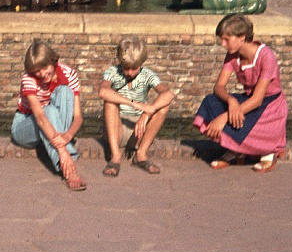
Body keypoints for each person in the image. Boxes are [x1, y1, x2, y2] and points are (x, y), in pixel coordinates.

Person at [193, 13, 288, 173]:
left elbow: (258, 100)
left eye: (226, 39)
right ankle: (237, 149)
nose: (223, 44)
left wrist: (224, 117)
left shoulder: (266, 57)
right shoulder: (232, 56)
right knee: (210, 102)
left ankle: (267, 151)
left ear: (242, 37)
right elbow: (219, 87)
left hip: (268, 106)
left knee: (229, 118)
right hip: (248, 100)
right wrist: (231, 101)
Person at [10, 40, 87, 191]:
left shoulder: (69, 73)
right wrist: (63, 150)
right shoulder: (28, 78)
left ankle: (57, 150)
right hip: (25, 125)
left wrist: (67, 136)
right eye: (37, 71)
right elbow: (40, 117)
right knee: (48, 111)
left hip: (51, 130)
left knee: (65, 92)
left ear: (53, 61)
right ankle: (67, 166)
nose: (42, 74)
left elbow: (78, 117)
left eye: (45, 67)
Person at [98, 36, 174, 177]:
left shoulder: (147, 75)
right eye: (126, 68)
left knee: (163, 107)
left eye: (135, 68)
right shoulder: (112, 72)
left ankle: (141, 154)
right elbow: (103, 91)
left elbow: (168, 94)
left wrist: (146, 113)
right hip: (117, 129)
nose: (130, 72)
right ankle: (115, 156)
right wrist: (138, 105)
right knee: (110, 102)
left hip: (138, 131)